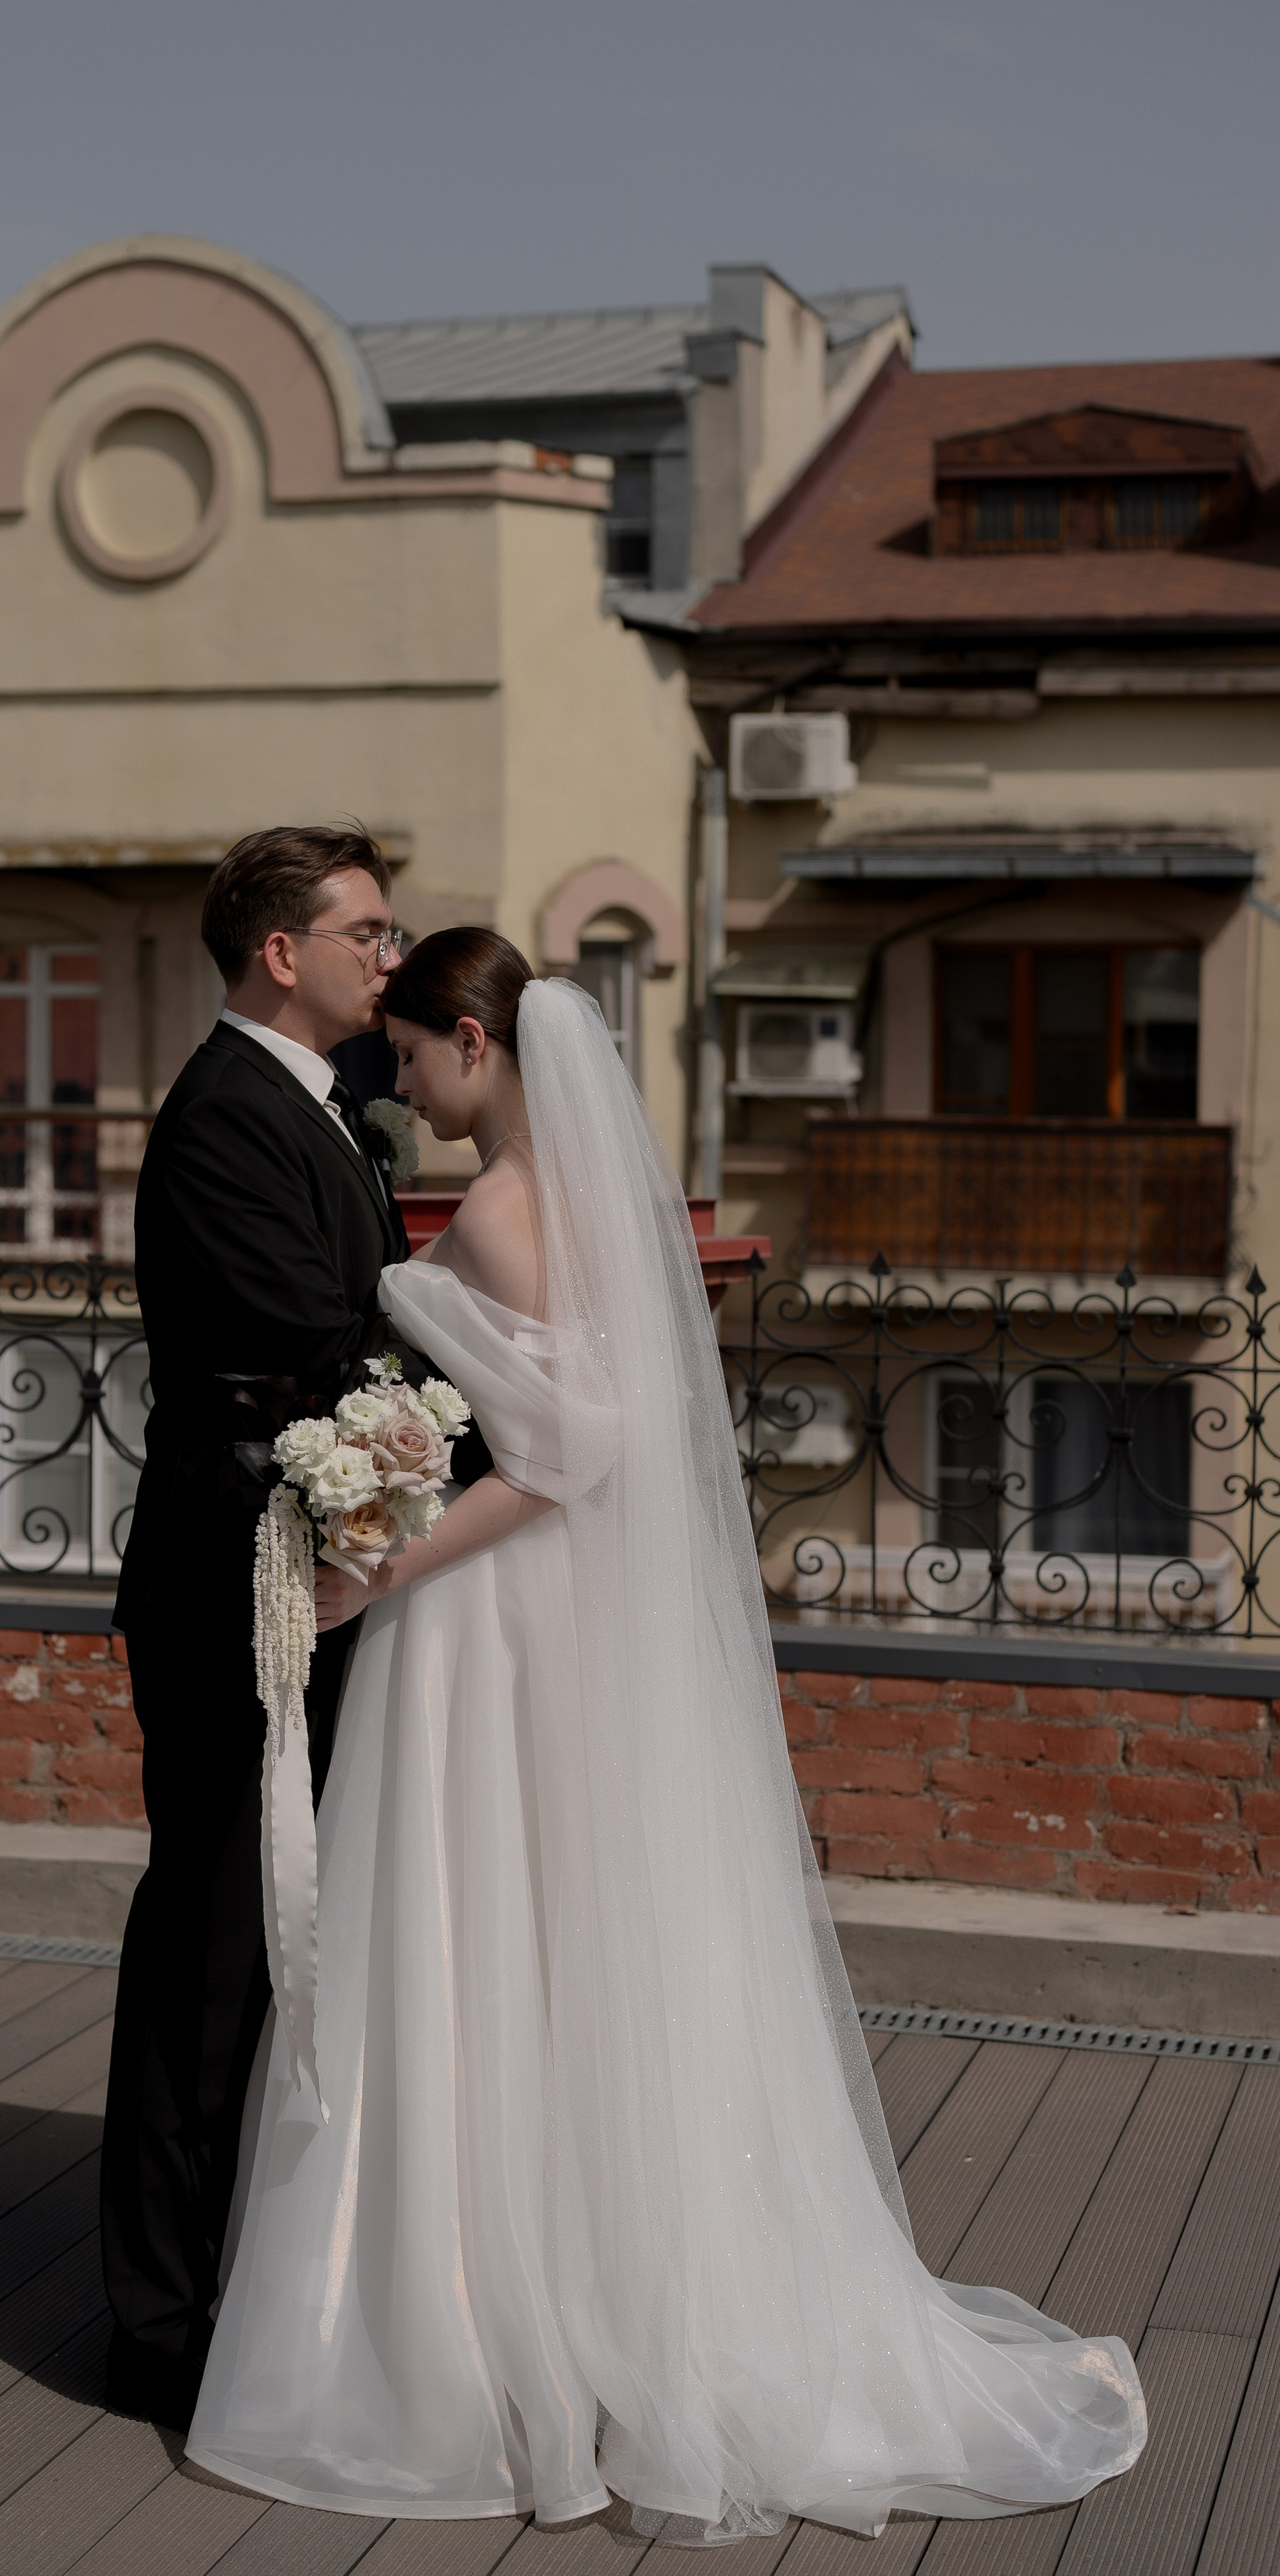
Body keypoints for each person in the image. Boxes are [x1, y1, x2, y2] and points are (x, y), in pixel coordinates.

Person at [186, 928, 1146, 2543]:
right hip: (565, 1613)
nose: (397, 1080)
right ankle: (599, 2285)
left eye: (413, 1054)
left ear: (475, 1043)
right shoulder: (598, 1205)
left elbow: (566, 1450)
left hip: (492, 1608)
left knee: (482, 1935)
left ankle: (483, 2328)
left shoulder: (499, 1208)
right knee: (581, 1939)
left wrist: (384, 1563)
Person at [99, 823, 416, 2432]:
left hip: (324, 1563)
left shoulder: (336, 1113)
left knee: (298, 1943)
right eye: (366, 926)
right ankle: (158, 2324)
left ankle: (258, 2267)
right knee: (214, 1951)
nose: (392, 948)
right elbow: (310, 1333)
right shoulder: (223, 1118)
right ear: (279, 953)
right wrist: (510, 1357)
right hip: (234, 1587)